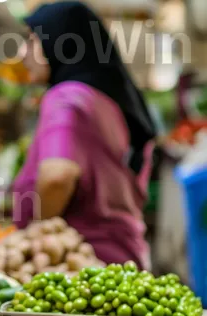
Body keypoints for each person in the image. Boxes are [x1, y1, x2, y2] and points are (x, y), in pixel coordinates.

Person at [11, 1, 156, 270]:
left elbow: (57, 175)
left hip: (79, 266)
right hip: (121, 257)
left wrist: (35, 239)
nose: (22, 53)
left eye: (32, 41)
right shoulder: (106, 98)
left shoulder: (67, 98)